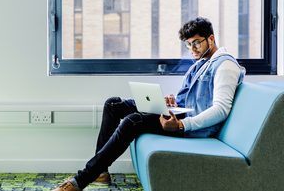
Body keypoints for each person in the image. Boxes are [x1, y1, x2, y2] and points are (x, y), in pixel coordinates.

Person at [51, 17, 246, 191]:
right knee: (113, 105)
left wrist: (180, 125)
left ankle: (80, 181)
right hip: (181, 114)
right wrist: (174, 102)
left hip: (192, 126)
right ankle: (101, 172)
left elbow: (220, 109)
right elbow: (194, 98)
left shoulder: (225, 65)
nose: (192, 49)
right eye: (188, 45)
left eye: (196, 43)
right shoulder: (202, 62)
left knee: (132, 121)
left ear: (211, 39)